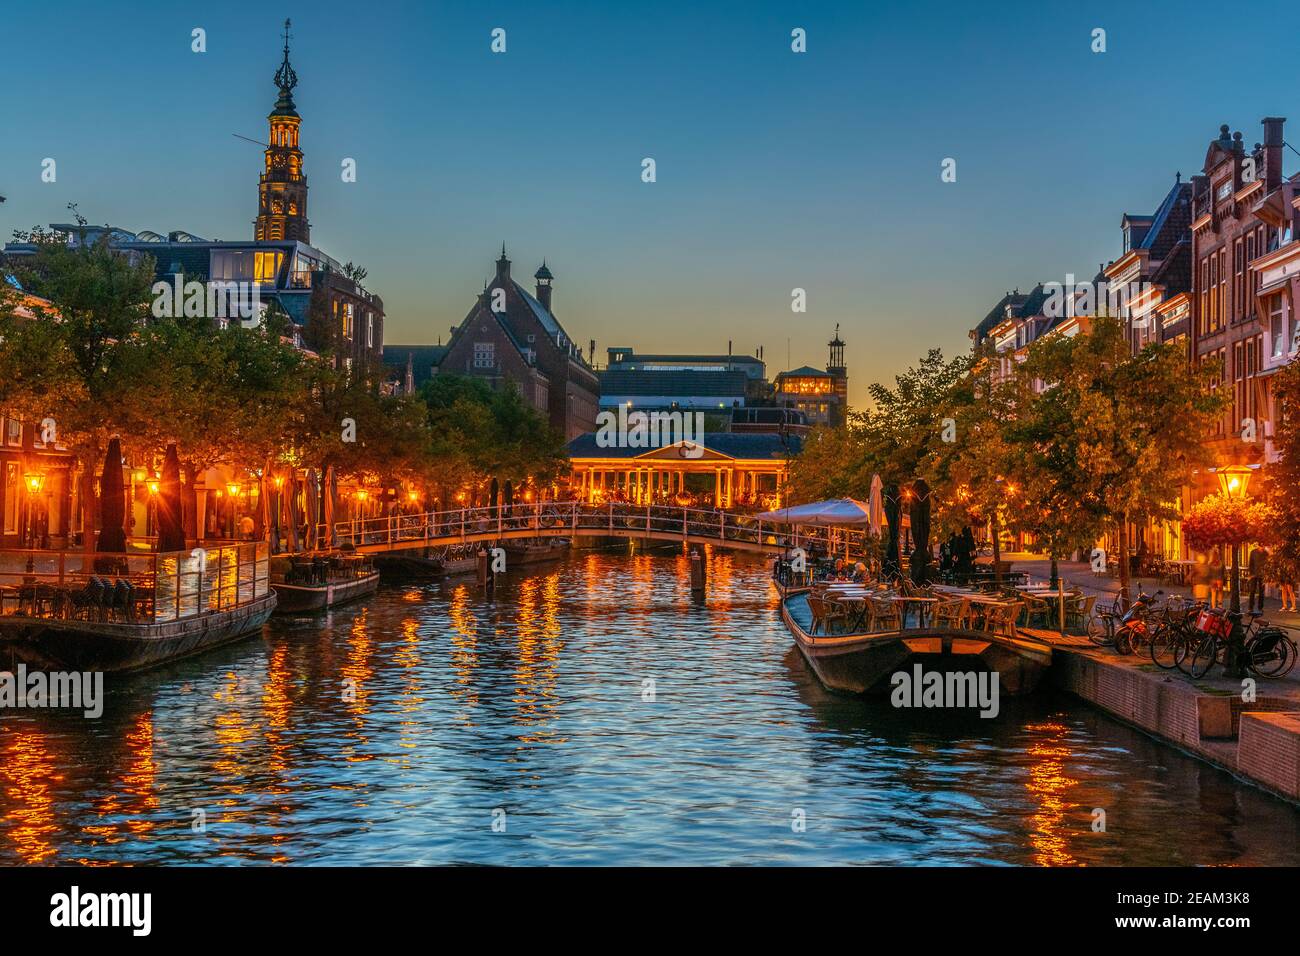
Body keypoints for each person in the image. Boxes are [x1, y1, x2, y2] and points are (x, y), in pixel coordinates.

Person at [1247, 546, 1270, 614]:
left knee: (1261, 591)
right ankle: (1250, 607)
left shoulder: (1266, 553)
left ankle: (1260, 607)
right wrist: (1251, 574)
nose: (1262, 548)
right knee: (1252, 590)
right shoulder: (1253, 552)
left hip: (1262, 575)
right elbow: (1250, 563)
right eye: (1261, 546)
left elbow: (1268, 563)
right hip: (1254, 574)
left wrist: (1266, 573)